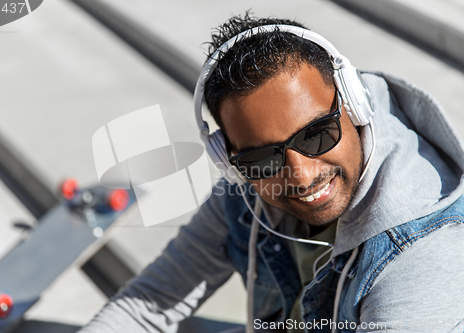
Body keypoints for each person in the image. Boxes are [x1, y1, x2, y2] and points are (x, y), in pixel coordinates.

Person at [78, 13, 464, 333]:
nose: (299, 176)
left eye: (317, 134)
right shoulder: (247, 190)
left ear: (356, 105)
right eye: (264, 157)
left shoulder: (422, 257)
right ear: (229, 162)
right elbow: (147, 305)